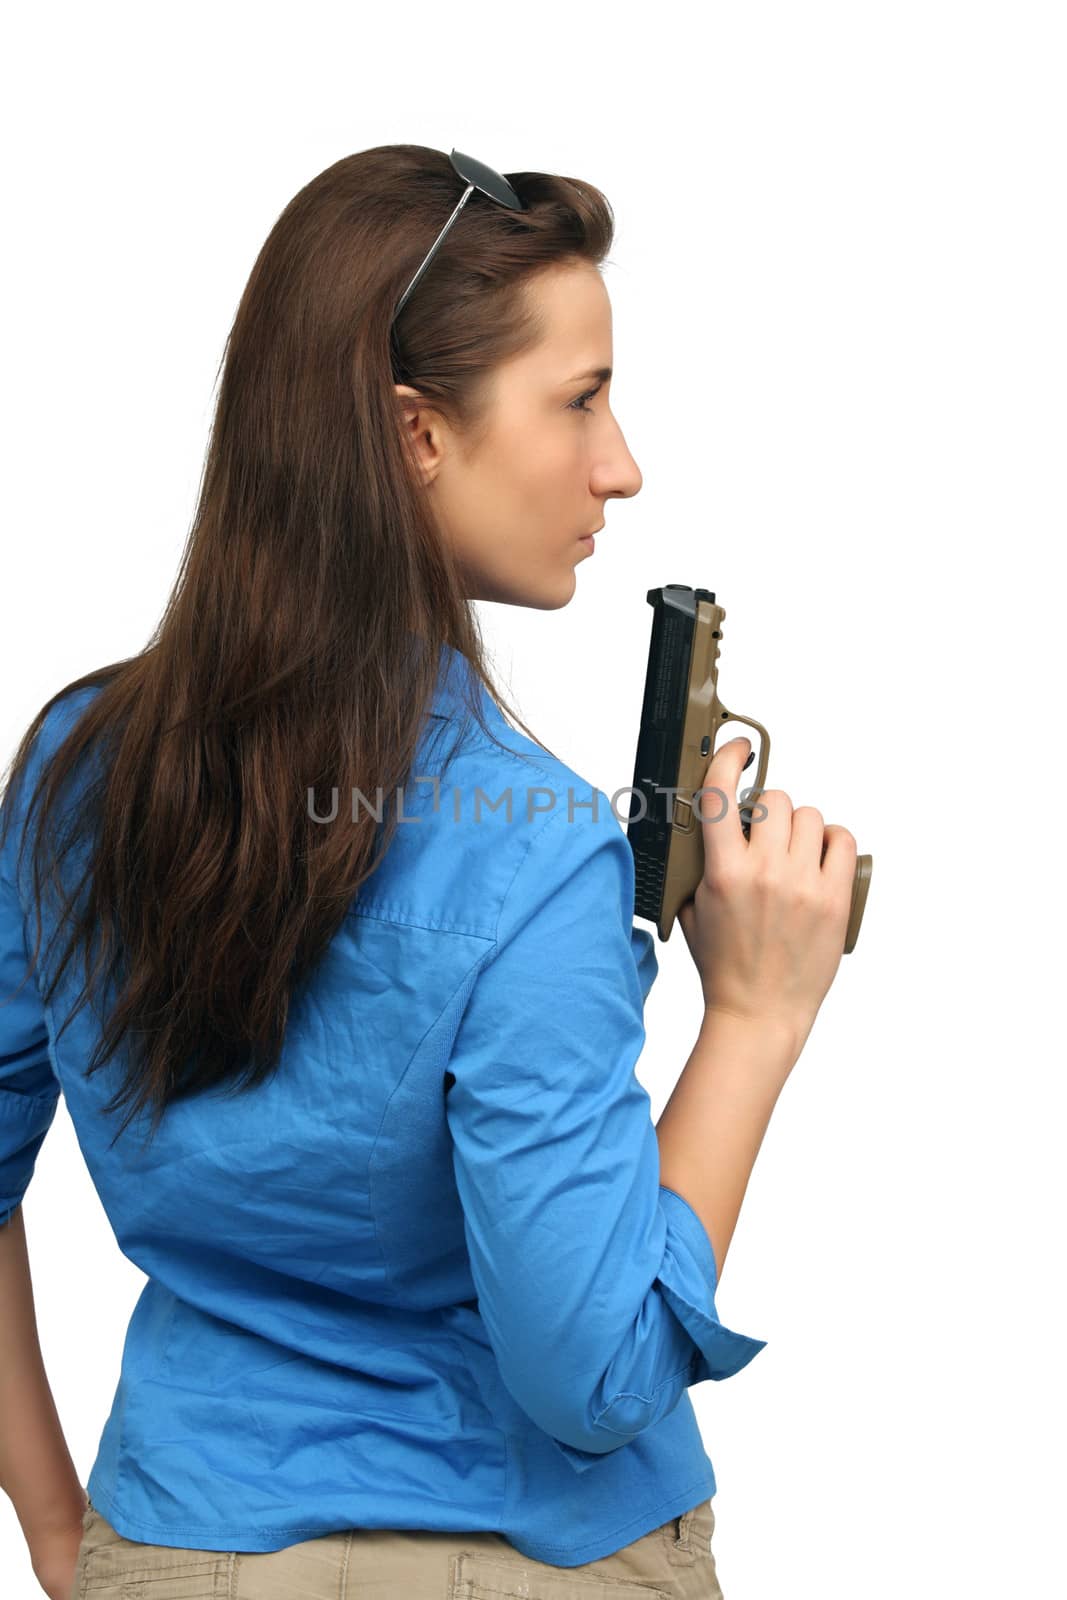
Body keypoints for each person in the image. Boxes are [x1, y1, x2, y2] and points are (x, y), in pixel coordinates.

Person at [0, 145, 858, 1600]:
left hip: (178, 1543)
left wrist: (60, 1533)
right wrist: (758, 1017)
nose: (621, 464)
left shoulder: (73, 773)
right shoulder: (538, 857)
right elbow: (591, 1377)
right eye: (579, 399)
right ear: (414, 435)